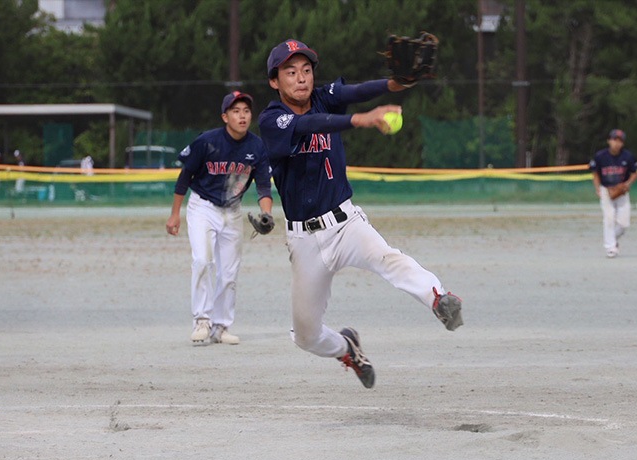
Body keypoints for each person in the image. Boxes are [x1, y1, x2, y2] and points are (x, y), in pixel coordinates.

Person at [257, 39, 463, 389]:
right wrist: (362, 120)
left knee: (386, 256)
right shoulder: (272, 119)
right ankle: (346, 348)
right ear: (275, 82)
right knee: (305, 335)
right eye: (290, 72)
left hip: (345, 223)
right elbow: (312, 126)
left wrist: (396, 84)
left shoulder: (325, 96)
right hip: (303, 240)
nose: (301, 78)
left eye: (306, 70)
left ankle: (439, 298)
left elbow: (358, 90)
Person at [166, 91, 273, 346]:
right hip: (202, 207)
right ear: (225, 116)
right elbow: (185, 178)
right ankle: (202, 320)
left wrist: (266, 214)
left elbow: (264, 187)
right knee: (202, 260)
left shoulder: (256, 146)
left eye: (246, 111)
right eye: (236, 111)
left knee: (229, 272)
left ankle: (221, 327)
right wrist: (175, 215)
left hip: (233, 212)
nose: (242, 115)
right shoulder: (207, 141)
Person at [590, 129, 637, 258]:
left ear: (622, 143)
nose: (616, 143)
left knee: (624, 224)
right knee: (609, 218)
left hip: (622, 192)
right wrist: (597, 189)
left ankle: (612, 239)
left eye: (619, 141)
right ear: (609, 141)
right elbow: (595, 174)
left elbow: (635, 173)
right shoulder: (600, 156)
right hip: (606, 190)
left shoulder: (627, 156)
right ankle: (610, 248)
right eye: (614, 140)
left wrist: (627, 184)